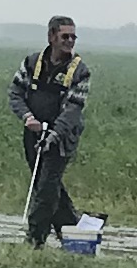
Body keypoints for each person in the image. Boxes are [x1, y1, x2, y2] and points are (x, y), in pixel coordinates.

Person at [9, 17, 91, 246]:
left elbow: (73, 109)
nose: (70, 41)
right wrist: (27, 117)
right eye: (65, 36)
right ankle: (74, 233)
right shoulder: (32, 62)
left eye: (73, 36)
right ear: (51, 37)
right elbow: (15, 93)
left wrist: (53, 135)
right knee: (44, 184)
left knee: (46, 187)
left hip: (62, 136)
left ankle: (35, 239)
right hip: (33, 131)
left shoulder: (80, 71)